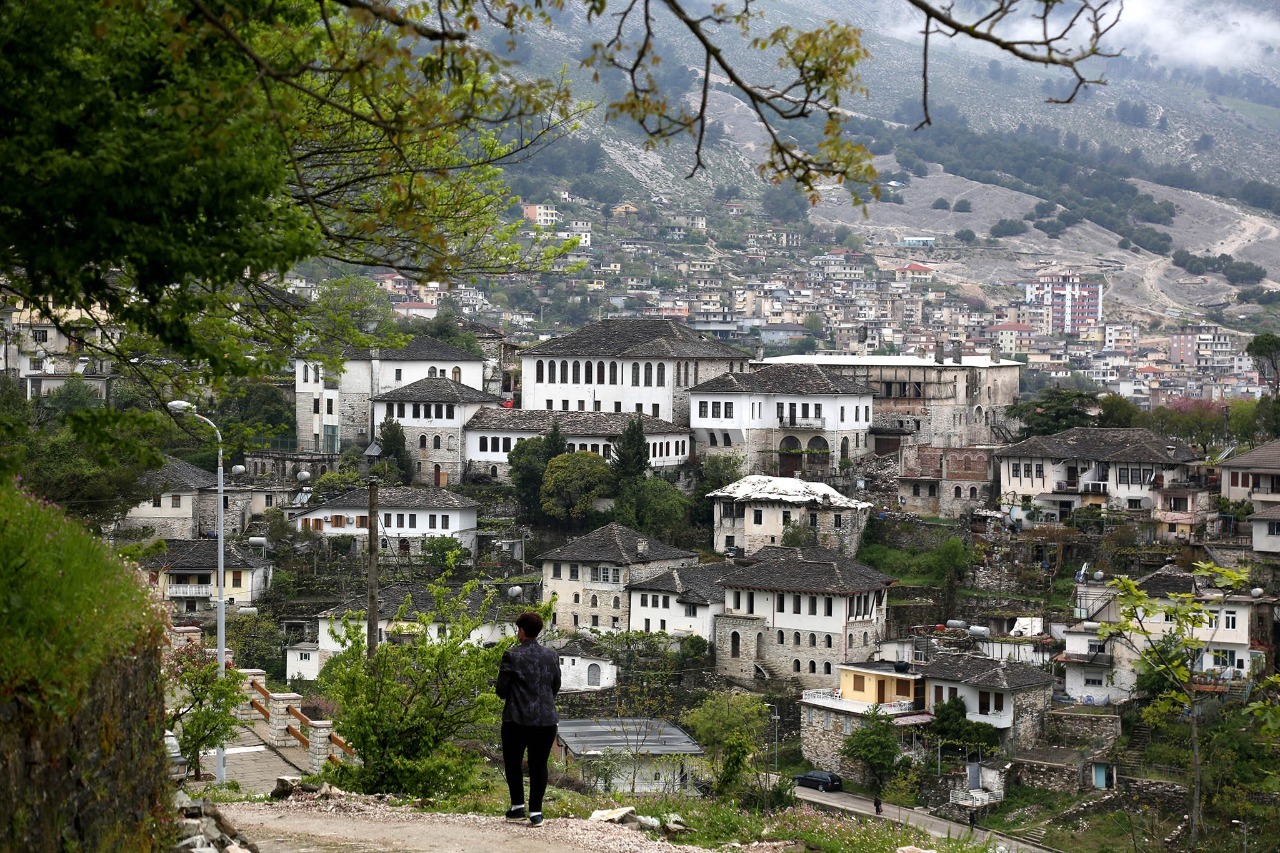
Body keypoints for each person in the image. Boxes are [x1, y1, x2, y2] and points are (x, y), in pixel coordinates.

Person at [495, 611, 561, 827]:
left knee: (513, 763)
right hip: (545, 720)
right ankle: (536, 813)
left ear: (522, 631)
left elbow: (501, 690)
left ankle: (517, 807)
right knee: (539, 765)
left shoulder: (512, 655)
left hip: (516, 719)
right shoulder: (551, 655)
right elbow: (555, 686)